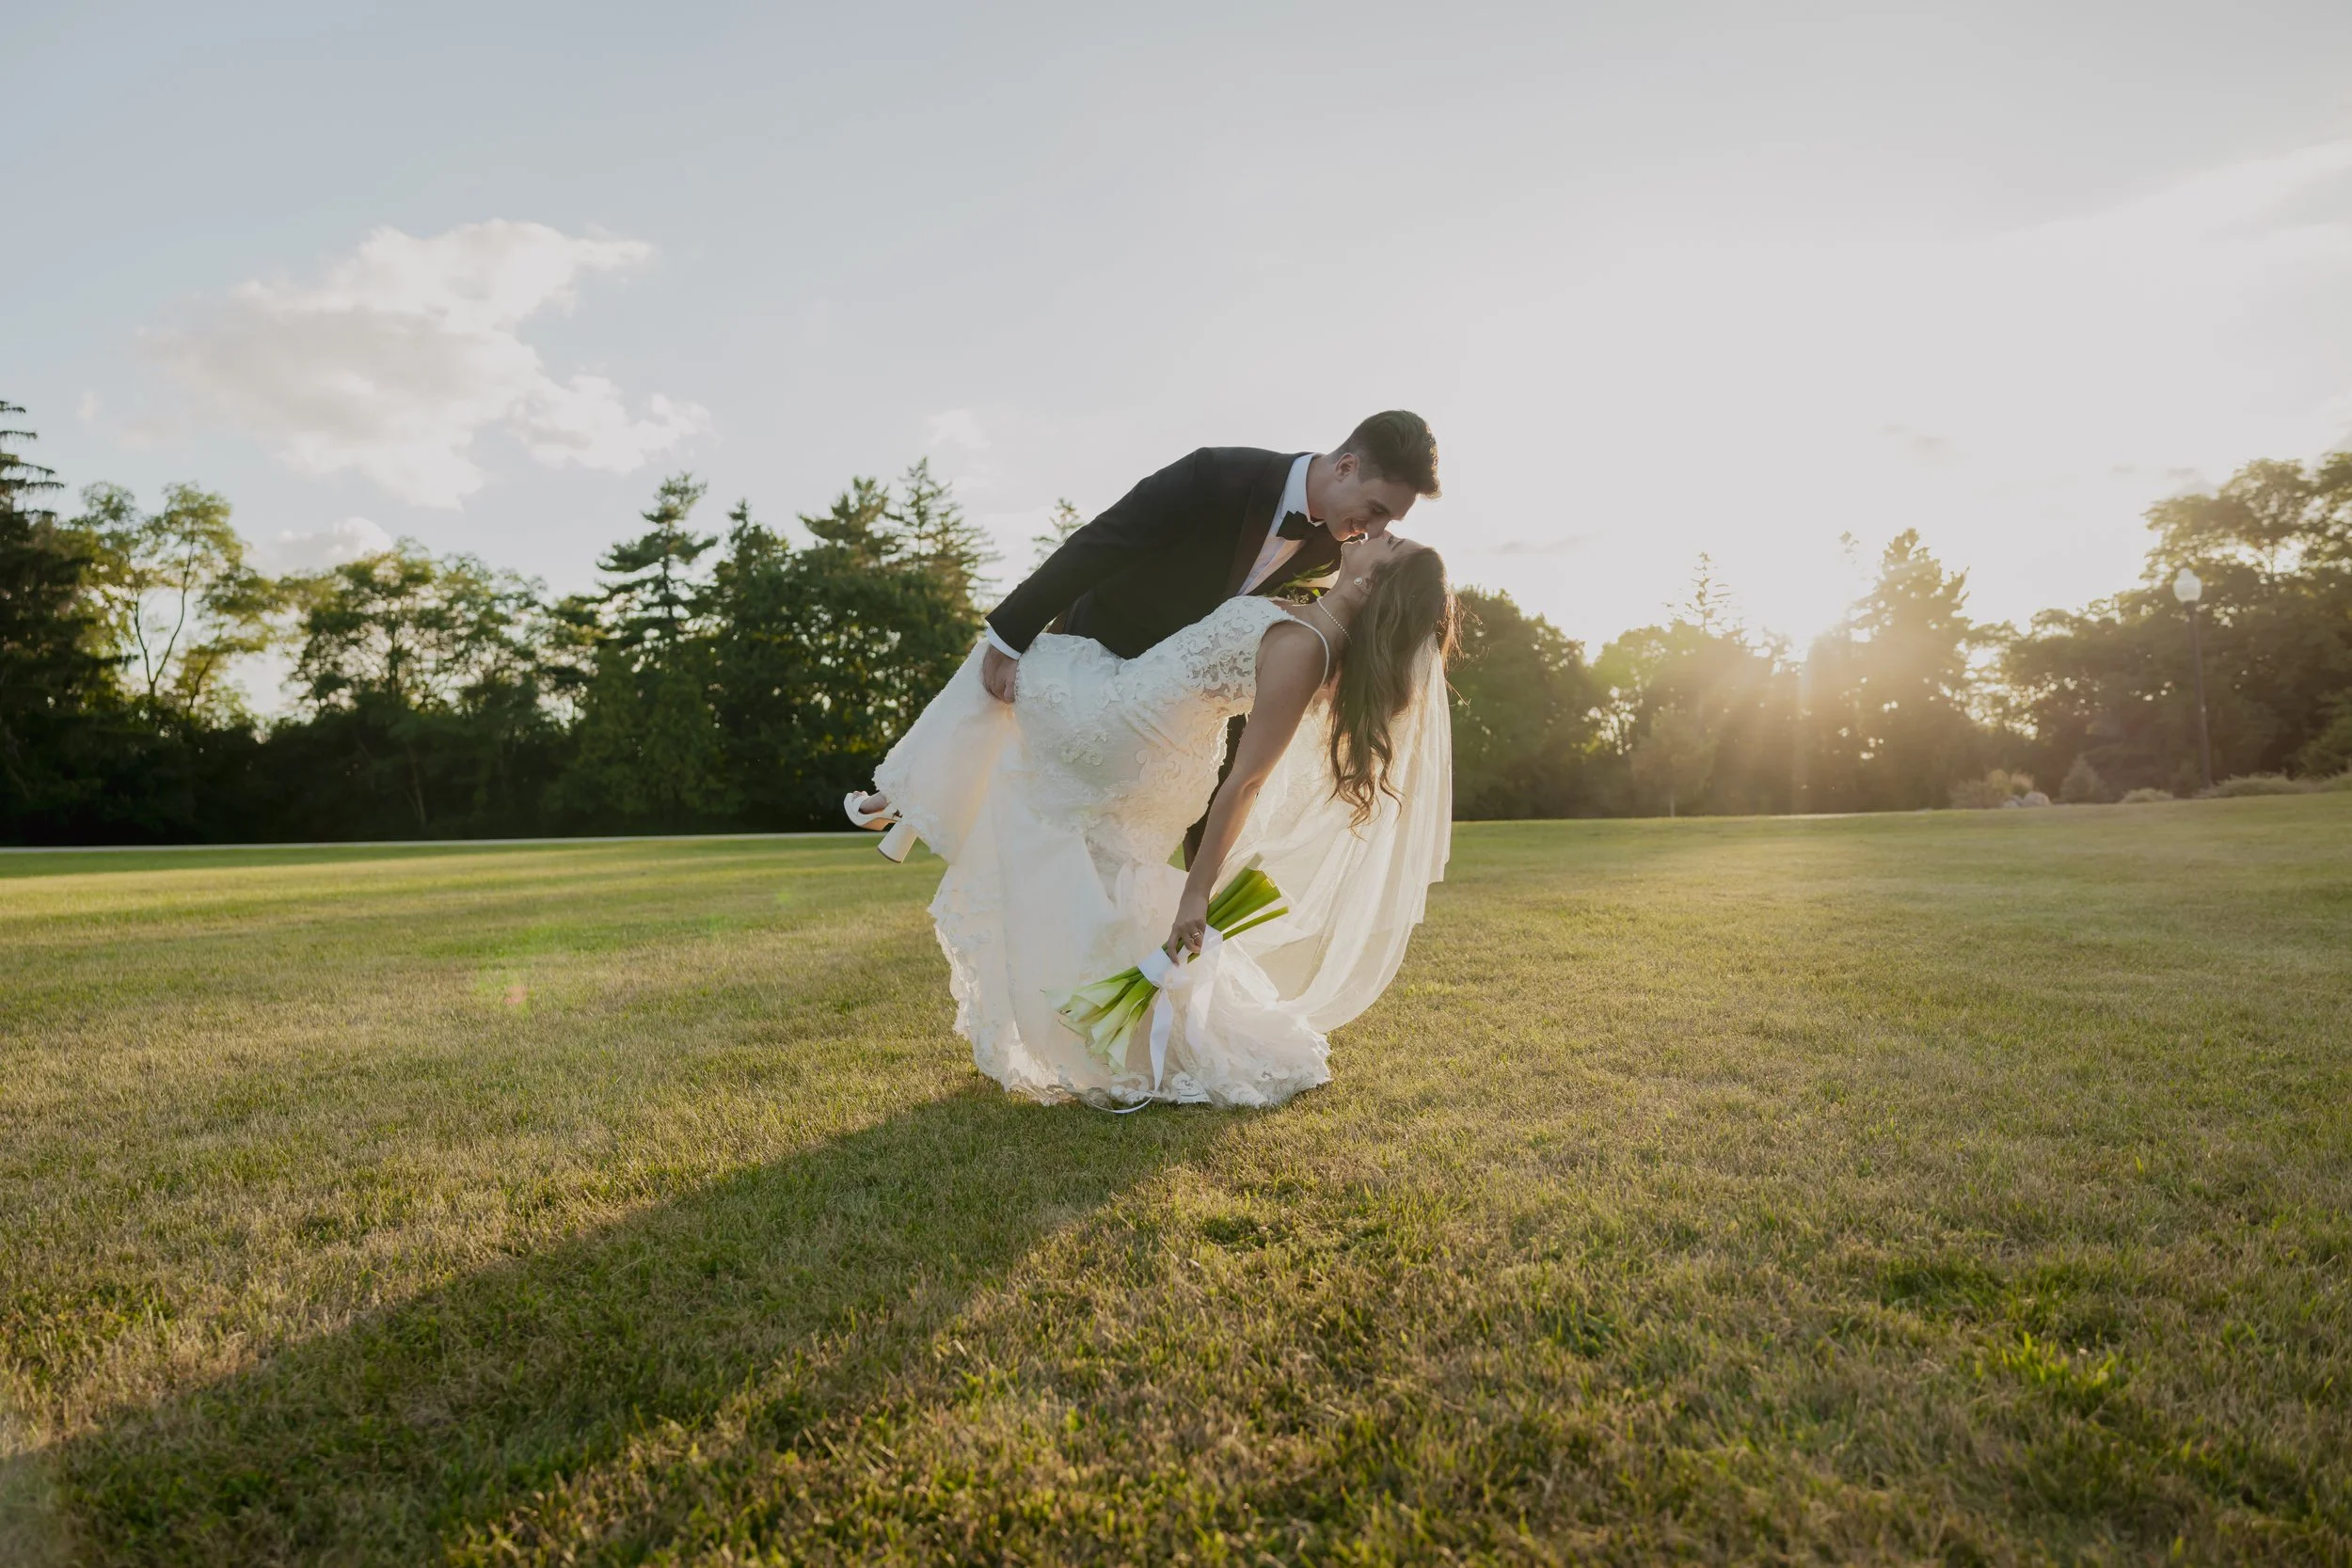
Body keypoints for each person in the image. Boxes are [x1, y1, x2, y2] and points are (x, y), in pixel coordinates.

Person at [847, 456, 1458, 1106]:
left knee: (1016, 662)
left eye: (1387, 540)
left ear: (1375, 584)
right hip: (1147, 719)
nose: (1373, 533)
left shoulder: (1309, 648)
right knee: (1035, 715)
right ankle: (911, 800)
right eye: (1384, 522)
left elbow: (1248, 781)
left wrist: (1195, 895)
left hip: (1129, 726)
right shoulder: (1314, 607)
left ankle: (904, 796)